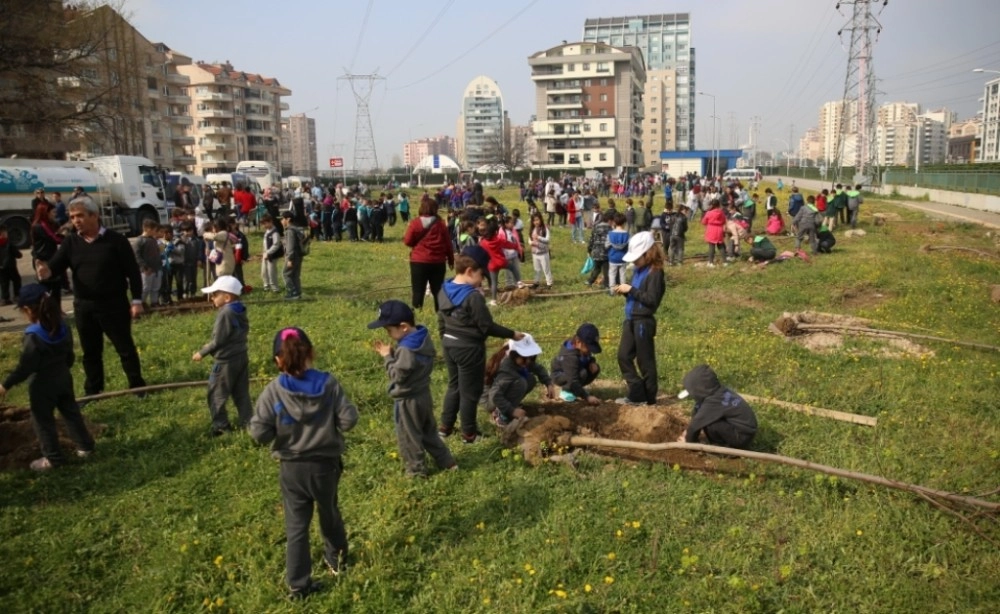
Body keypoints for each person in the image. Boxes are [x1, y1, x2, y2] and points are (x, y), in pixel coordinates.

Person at [250, 327, 359, 599]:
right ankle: (337, 561)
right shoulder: (329, 383)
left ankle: (298, 585)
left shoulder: (273, 391)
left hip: (292, 469)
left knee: (296, 526)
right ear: (311, 353)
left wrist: (280, 427)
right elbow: (348, 420)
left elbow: (258, 433)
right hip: (325, 466)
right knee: (329, 512)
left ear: (278, 360)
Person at [36, 196, 146, 396]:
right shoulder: (71, 243)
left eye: (80, 216)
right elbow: (55, 267)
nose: (75, 220)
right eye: (72, 217)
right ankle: (93, 390)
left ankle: (137, 386)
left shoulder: (116, 241)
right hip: (84, 307)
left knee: (125, 348)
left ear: (94, 216)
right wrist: (46, 272)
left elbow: (133, 272)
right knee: (90, 352)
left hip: (114, 305)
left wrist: (137, 300)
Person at [0, 284, 95, 471]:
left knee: (42, 420)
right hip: (63, 377)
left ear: (27, 309)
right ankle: (85, 447)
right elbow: (70, 356)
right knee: (71, 412)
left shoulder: (33, 336)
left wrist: (5, 385)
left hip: (42, 385)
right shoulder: (63, 327)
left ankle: (53, 458)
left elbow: (25, 367)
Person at [436, 245, 525, 443]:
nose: (483, 280)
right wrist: (513, 334)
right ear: (469, 271)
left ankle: (445, 426)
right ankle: (469, 434)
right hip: (469, 349)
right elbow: (486, 326)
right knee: (471, 392)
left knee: (454, 386)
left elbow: (441, 320)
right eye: (481, 275)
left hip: (449, 344)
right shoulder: (472, 297)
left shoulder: (444, 287)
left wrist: (445, 339)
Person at [369, 300, 456, 477]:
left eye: (389, 330)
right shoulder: (422, 337)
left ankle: (416, 472)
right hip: (424, 394)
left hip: (408, 400)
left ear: (403, 327)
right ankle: (447, 462)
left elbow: (397, 376)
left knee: (409, 437)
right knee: (428, 432)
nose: (388, 333)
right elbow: (411, 366)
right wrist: (395, 355)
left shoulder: (406, 350)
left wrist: (387, 357)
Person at [192, 276, 251, 436]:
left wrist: (202, 352)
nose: (212, 298)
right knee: (241, 393)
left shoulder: (225, 313)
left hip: (225, 361)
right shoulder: (239, 308)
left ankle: (221, 426)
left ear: (227, 297)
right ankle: (249, 424)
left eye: (215, 294)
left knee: (216, 393)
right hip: (241, 356)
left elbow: (219, 340)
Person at [612, 232, 666, 405]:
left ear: (648, 253)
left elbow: (651, 300)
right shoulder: (638, 270)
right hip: (630, 319)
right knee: (623, 356)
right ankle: (637, 392)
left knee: (645, 362)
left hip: (643, 321)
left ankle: (650, 399)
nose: (634, 262)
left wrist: (631, 290)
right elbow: (635, 295)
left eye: (636, 258)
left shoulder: (656, 273)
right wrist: (624, 291)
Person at [675, 364, 757, 449]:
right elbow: (697, 412)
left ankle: (724, 447)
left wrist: (688, 442)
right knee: (705, 417)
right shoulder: (716, 392)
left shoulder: (714, 401)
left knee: (710, 421)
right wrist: (688, 431)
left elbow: (696, 424)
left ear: (700, 389)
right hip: (741, 430)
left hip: (741, 436)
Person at [482, 334, 555, 426]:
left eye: (531, 358)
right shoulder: (506, 369)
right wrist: (512, 410)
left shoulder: (521, 359)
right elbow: (495, 395)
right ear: (514, 355)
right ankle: (500, 414)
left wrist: (548, 383)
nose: (528, 361)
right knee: (520, 383)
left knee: (530, 379)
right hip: (490, 399)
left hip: (497, 393)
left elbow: (538, 368)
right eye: (525, 358)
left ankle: (509, 405)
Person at [403, 195, 453, 312]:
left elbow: (408, 241)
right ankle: (439, 312)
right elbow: (448, 244)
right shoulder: (440, 224)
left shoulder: (415, 223)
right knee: (438, 290)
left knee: (418, 290)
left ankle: (417, 311)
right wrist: (451, 260)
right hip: (438, 262)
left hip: (419, 261)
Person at [550, 323, 602, 404]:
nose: (590, 351)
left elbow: (589, 358)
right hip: (561, 376)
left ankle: (577, 389)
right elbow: (572, 379)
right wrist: (587, 397)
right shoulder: (570, 357)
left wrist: (592, 362)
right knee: (582, 374)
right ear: (578, 342)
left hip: (575, 371)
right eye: (589, 347)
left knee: (595, 368)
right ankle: (567, 391)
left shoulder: (583, 349)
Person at [133, 218, 162, 309]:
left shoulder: (153, 240)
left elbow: (157, 253)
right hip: (146, 270)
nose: (155, 232)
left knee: (155, 287)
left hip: (156, 268)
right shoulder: (139, 241)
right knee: (145, 288)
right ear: (147, 229)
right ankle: (142, 303)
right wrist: (144, 267)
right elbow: (137, 256)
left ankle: (154, 302)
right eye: (154, 230)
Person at [281, 211, 306, 300]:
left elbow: (290, 246)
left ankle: (292, 293)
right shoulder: (296, 229)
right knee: (295, 275)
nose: (281, 221)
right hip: (299, 255)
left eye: (283, 219)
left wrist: (289, 259)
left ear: (288, 219)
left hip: (293, 256)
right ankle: (298, 293)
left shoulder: (290, 231)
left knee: (286, 274)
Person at [585, 210, 612, 289]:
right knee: (606, 270)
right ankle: (606, 285)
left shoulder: (596, 227)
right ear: (609, 220)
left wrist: (589, 249)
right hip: (605, 253)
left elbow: (591, 239)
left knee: (596, 268)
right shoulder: (610, 228)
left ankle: (590, 281)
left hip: (596, 251)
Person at [606, 212, 629, 293]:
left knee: (612, 275)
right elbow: (628, 247)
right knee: (623, 275)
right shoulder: (627, 234)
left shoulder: (610, 234)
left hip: (613, 258)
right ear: (624, 223)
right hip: (623, 258)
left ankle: (612, 291)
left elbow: (606, 245)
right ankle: (623, 291)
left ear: (614, 222)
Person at [0, 223, 23, 305]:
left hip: (1, 267)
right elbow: (18, 254)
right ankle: (17, 296)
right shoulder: (8, 243)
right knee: (16, 280)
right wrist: (19, 254)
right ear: (3, 233)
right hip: (10, 266)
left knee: (4, 282)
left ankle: (4, 299)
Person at [261, 214, 284, 293]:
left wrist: (268, 252)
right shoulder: (267, 231)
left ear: (270, 222)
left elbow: (276, 244)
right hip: (265, 254)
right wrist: (264, 252)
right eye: (263, 224)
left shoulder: (275, 232)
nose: (264, 225)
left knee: (272, 271)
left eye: (265, 223)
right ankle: (266, 285)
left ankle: (275, 287)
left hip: (272, 255)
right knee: (264, 271)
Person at [528, 212, 553, 288]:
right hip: (535, 253)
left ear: (540, 220)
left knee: (546, 268)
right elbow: (529, 239)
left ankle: (549, 283)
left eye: (537, 220)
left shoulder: (544, 228)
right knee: (537, 269)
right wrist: (531, 242)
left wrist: (539, 237)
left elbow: (547, 239)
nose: (536, 222)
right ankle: (536, 282)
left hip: (543, 253)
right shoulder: (532, 229)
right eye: (534, 220)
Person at [701, 200, 726, 267]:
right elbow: (724, 221)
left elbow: (703, 222)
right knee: (721, 246)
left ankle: (710, 262)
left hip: (711, 229)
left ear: (712, 205)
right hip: (719, 229)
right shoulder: (721, 212)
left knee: (711, 247)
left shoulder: (709, 213)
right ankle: (725, 262)